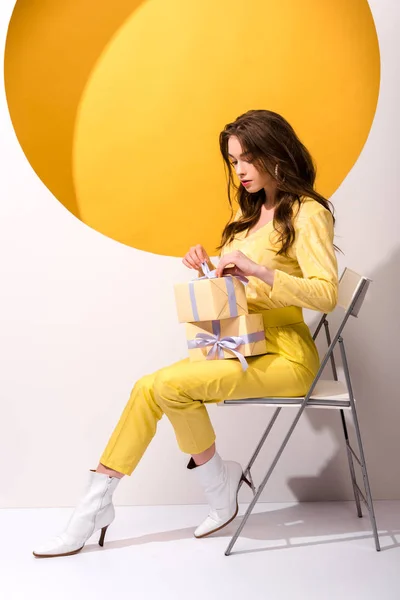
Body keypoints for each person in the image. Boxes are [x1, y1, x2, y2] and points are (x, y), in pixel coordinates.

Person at [32, 109, 339, 558]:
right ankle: (183, 489)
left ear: (277, 152)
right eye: (234, 162)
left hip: (288, 357)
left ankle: (104, 506)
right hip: (242, 342)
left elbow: (327, 294)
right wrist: (209, 265)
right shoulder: (248, 211)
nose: (241, 171)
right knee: (153, 388)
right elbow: (239, 285)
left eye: (248, 159)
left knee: (166, 388)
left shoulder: (308, 213)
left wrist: (258, 270)